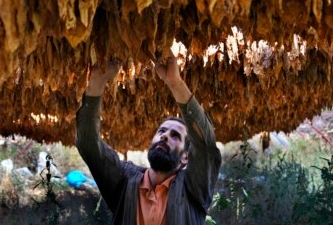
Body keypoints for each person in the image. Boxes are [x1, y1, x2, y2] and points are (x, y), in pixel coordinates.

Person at [75, 53, 222, 224]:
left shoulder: (193, 188)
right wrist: (97, 82)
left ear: (185, 156)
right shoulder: (124, 180)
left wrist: (175, 83)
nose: (165, 136)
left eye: (175, 136)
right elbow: (88, 144)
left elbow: (205, 144)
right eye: (162, 132)